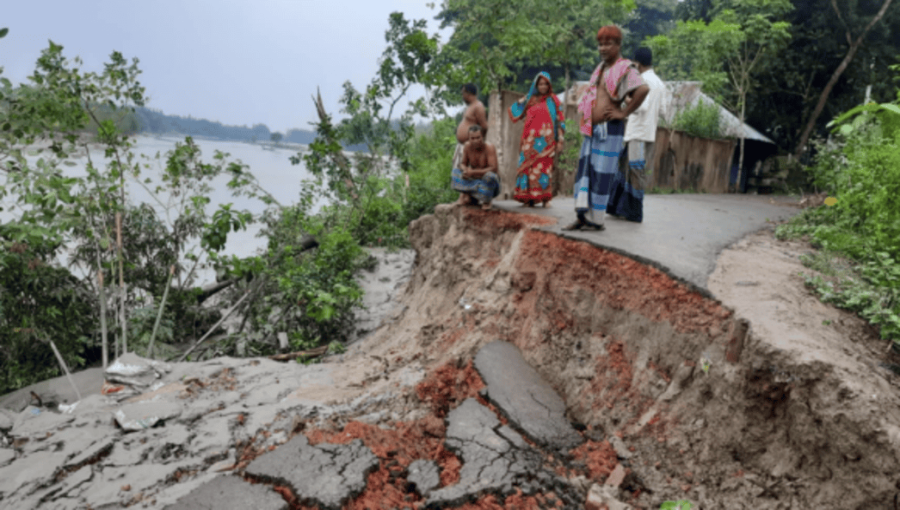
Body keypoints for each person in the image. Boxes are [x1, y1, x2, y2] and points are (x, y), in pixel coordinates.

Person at [564, 25, 649, 232]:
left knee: (602, 175)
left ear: (618, 45)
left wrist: (624, 113)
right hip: (591, 130)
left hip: (609, 130)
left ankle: (597, 220)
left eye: (608, 44)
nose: (603, 48)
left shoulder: (624, 68)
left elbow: (643, 89)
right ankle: (582, 216)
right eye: (600, 44)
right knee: (585, 173)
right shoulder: (600, 69)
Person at [608, 47, 668, 223]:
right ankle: (620, 208)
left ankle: (634, 212)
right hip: (649, 134)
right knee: (632, 170)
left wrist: (627, 100)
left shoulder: (641, 80)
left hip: (637, 134)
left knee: (633, 172)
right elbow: (664, 112)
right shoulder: (660, 83)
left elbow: (640, 107)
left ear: (638, 63)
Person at [508, 71, 566, 208]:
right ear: (536, 84)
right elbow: (514, 111)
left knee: (545, 169)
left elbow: (560, 121)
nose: (543, 86)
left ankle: (545, 199)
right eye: (540, 84)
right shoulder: (530, 99)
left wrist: (560, 140)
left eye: (546, 84)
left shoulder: (554, 101)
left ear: (550, 85)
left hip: (547, 143)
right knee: (527, 169)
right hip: (529, 142)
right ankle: (528, 198)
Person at [451, 125, 499, 210]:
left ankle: (486, 200)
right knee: (455, 173)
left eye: (478, 138)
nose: (475, 141)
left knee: (490, 176)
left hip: (487, 184)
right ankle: (470, 196)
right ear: (469, 138)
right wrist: (464, 170)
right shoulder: (467, 146)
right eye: (472, 138)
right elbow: (463, 163)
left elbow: (493, 168)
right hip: (474, 180)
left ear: (482, 137)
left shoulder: (489, 147)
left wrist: (472, 172)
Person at [453, 83, 489, 172]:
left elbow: (484, 126)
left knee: (468, 176)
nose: (462, 96)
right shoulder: (469, 107)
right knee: (458, 175)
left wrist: (477, 143)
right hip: (463, 146)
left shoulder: (478, 106)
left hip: (470, 149)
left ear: (468, 93)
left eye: (463, 93)